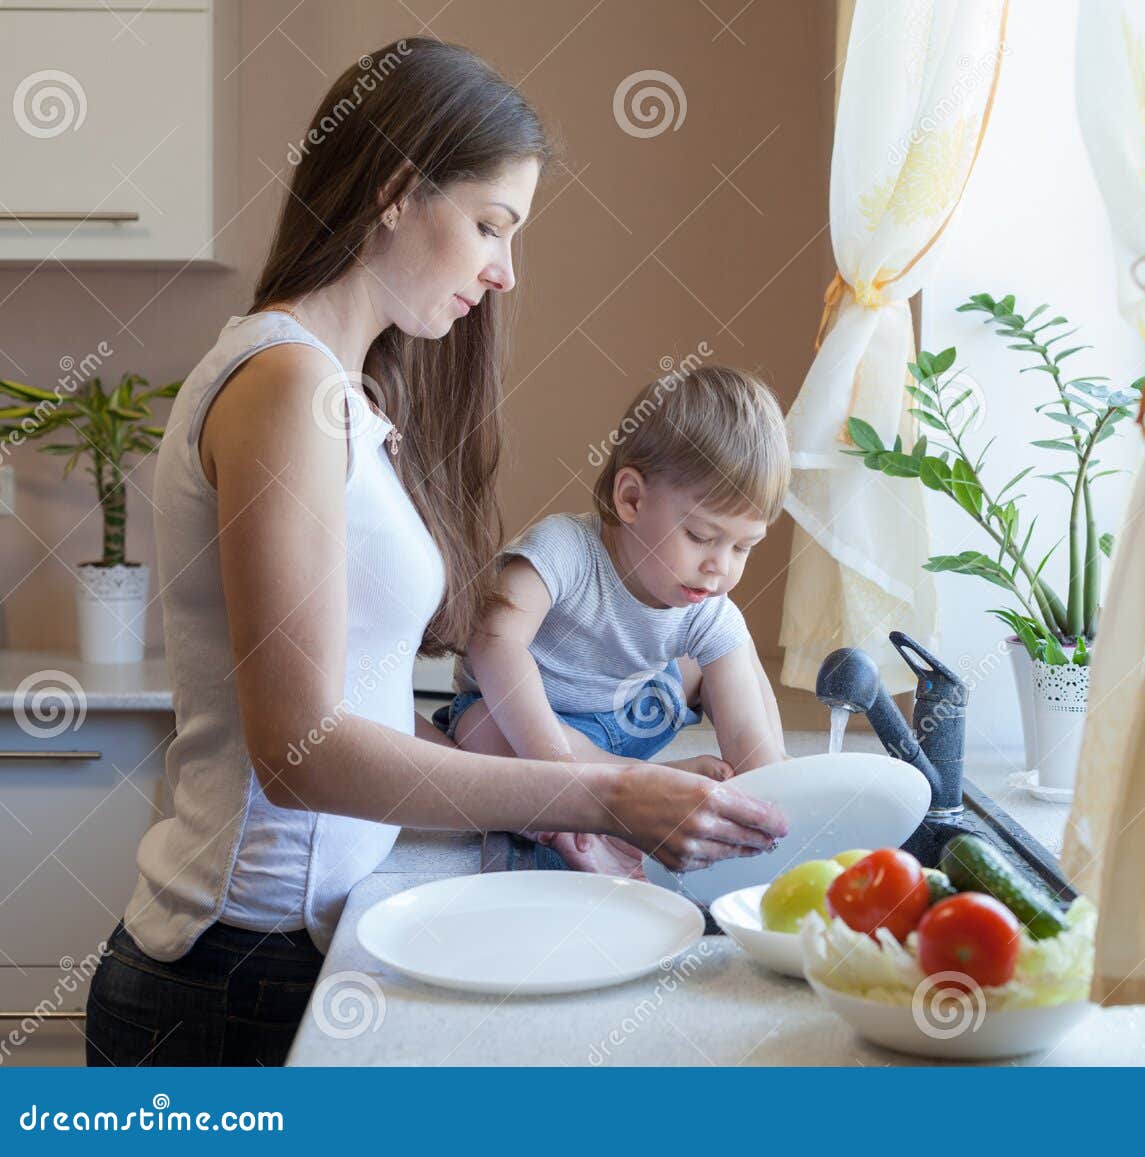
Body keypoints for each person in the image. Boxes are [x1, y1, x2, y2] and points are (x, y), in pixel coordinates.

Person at [84, 37, 785, 1068]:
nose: (505, 272)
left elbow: (347, 688)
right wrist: (602, 791)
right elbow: (301, 749)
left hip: (289, 943)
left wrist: (485, 749)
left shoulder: (340, 393)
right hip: (231, 972)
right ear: (398, 192)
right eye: (492, 226)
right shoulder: (284, 388)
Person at [435, 366, 791, 876]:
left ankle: (641, 782)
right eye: (701, 536)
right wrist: (559, 774)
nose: (720, 566)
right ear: (630, 498)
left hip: (628, 716)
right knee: (478, 736)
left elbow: (748, 745)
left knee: (734, 649)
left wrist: (769, 795)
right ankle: (614, 797)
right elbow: (493, 641)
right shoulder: (563, 549)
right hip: (531, 720)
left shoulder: (707, 604)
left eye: (744, 547)